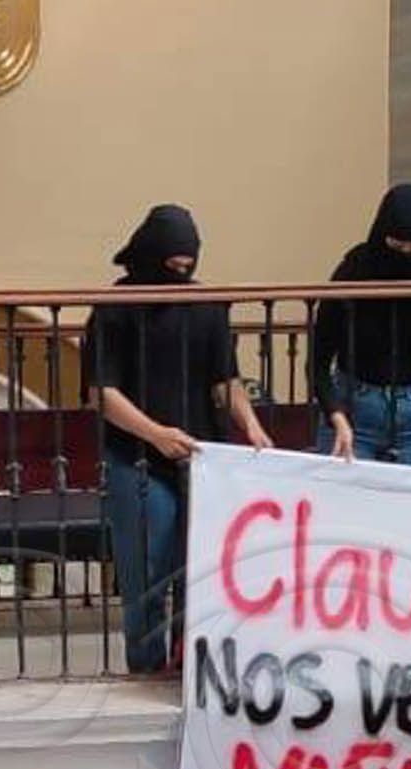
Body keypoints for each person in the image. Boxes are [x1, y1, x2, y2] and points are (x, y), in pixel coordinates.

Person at [83, 204, 271, 674]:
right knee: (146, 571)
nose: (181, 273)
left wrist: (251, 426)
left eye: (188, 265)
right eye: (172, 265)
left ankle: (190, 671)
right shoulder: (115, 309)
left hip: (202, 459)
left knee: (201, 572)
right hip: (137, 458)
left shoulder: (205, 306)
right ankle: (146, 667)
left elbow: (225, 380)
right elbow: (101, 393)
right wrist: (155, 434)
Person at [310, 183, 411, 474]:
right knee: (347, 506)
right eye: (396, 245)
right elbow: (318, 357)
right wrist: (335, 414)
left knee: (407, 512)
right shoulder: (353, 272)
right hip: (354, 405)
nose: (406, 254)